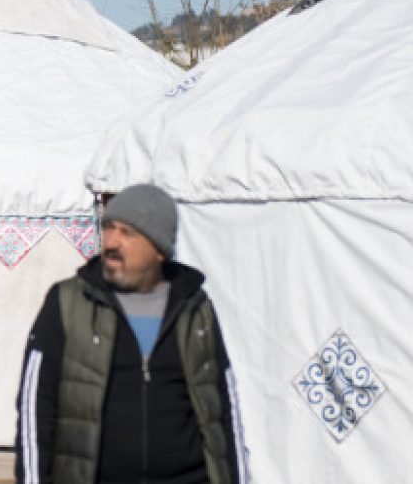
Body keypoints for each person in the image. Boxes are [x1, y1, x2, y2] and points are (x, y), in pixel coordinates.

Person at [15, 184, 245, 484]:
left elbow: (225, 408)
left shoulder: (194, 308)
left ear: (159, 248)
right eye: (108, 228)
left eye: (127, 233)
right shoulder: (69, 304)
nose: (111, 242)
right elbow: (36, 407)